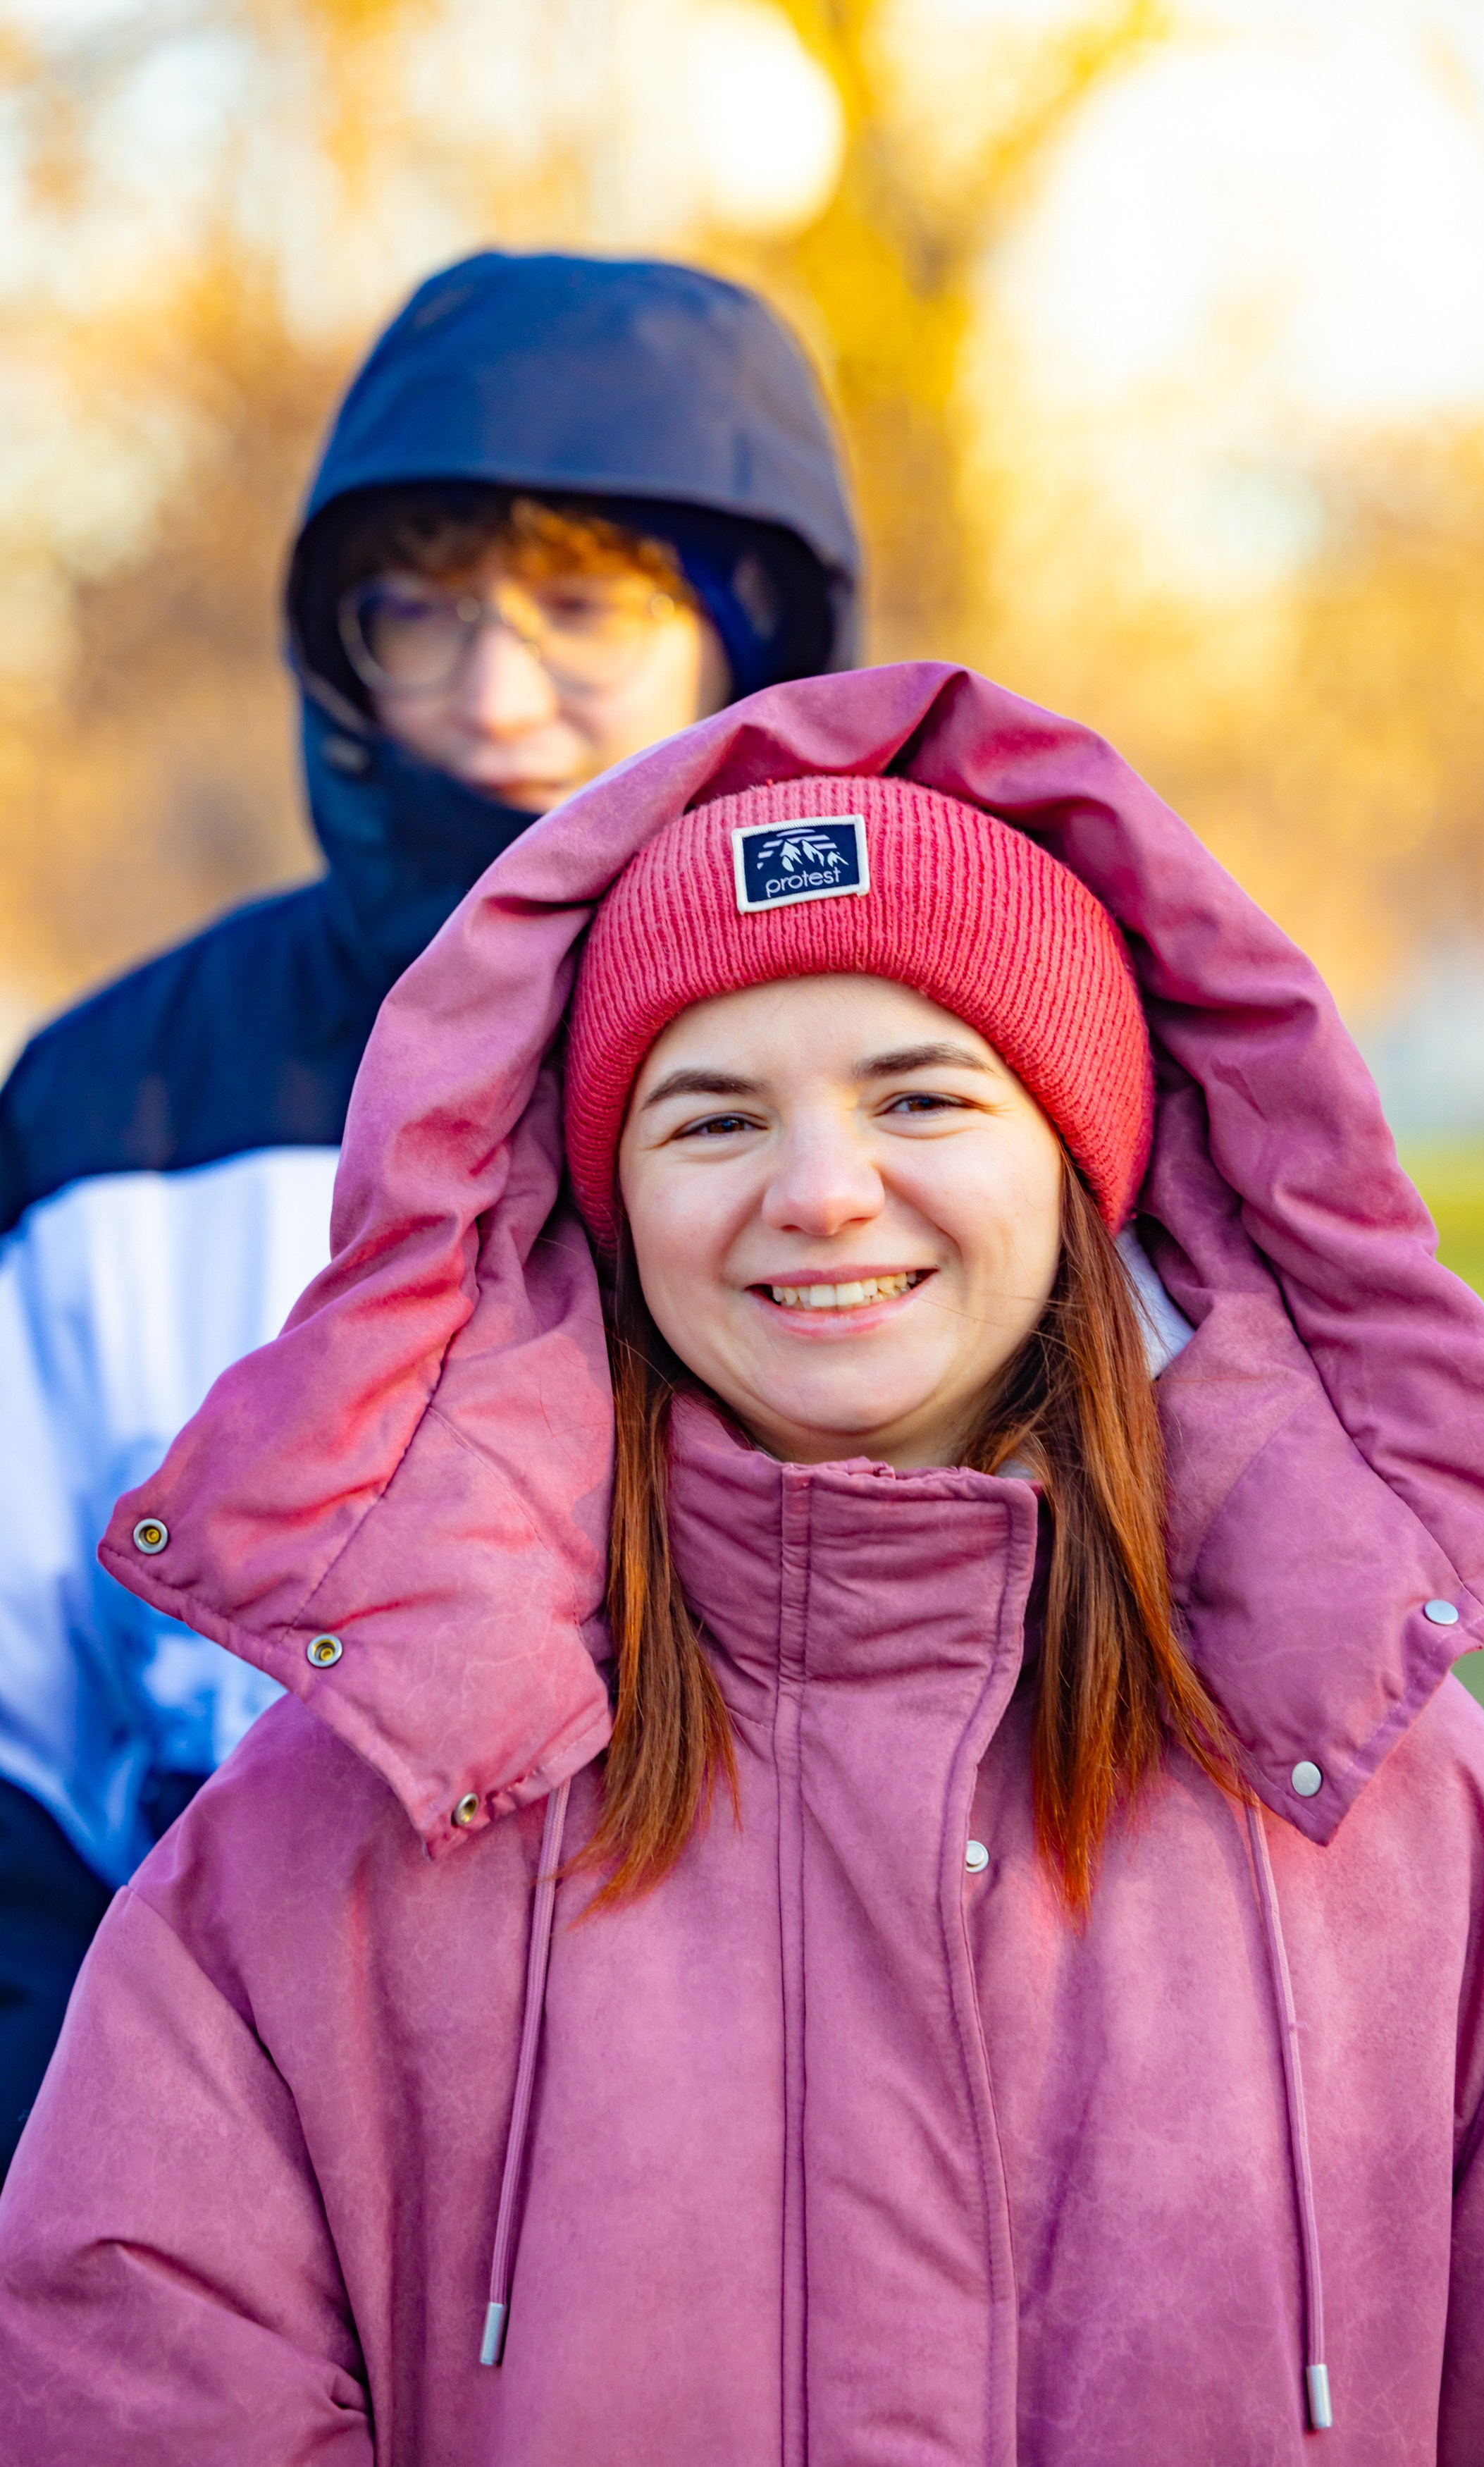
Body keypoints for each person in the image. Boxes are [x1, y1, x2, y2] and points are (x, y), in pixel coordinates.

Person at [2, 660, 1484, 2464]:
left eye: (921, 1098)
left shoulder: (1389, 1813)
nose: (823, 1190)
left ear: (1076, 1162)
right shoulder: (342, 1827)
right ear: (610, 1202)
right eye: (712, 1117)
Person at [0, 247, 858, 2167]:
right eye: (418, 613)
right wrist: (104, 2193)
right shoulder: (116, 1111)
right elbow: (14, 1777)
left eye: (578, 610)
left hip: (785, 2187)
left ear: (749, 637)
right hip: (226, 2172)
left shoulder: (911, 1082)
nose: (490, 694)